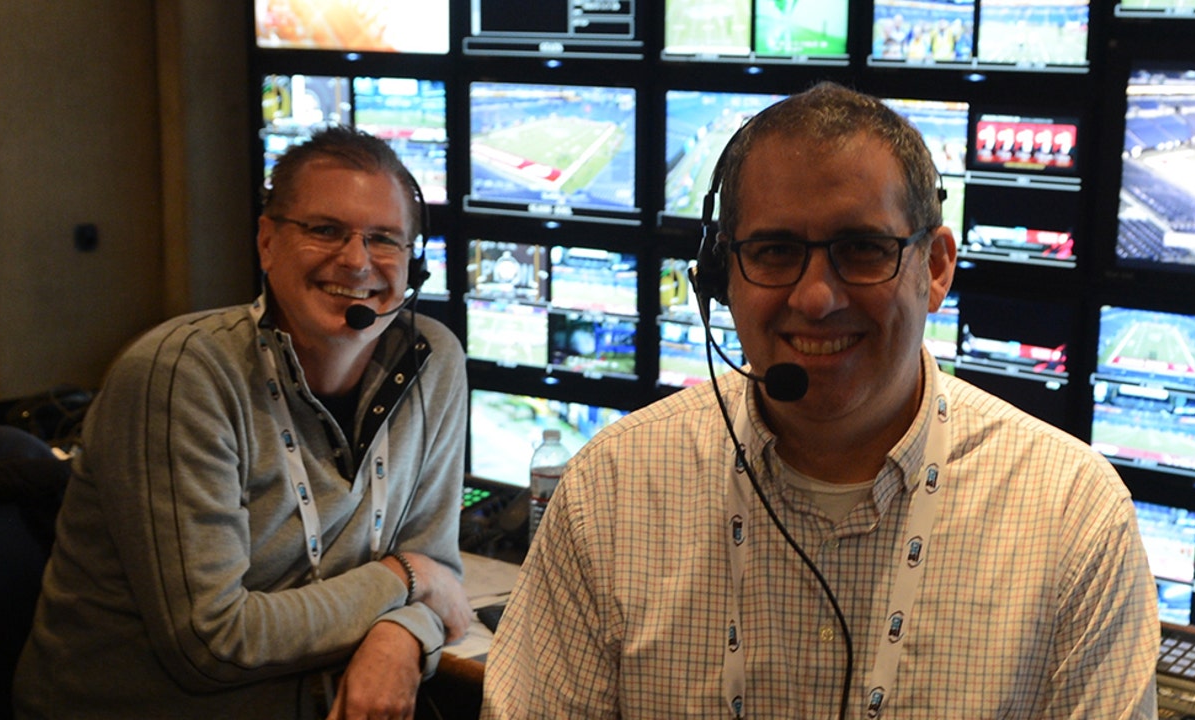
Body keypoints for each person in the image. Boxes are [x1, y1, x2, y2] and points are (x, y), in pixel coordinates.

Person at [481, 82, 1160, 719]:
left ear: (935, 268)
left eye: (861, 248)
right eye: (775, 251)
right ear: (722, 277)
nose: (815, 297)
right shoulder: (608, 492)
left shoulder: (1075, 518)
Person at [14, 126, 472, 719]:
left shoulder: (433, 360)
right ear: (267, 243)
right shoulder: (181, 376)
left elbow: (441, 576)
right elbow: (215, 642)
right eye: (325, 230)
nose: (357, 261)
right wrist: (403, 579)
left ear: (415, 263)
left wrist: (401, 636)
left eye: (384, 239)